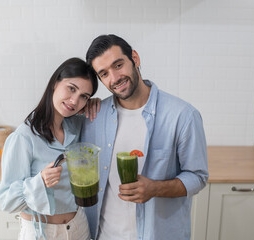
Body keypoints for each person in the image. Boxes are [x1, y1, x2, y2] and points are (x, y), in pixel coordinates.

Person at [81, 34, 209, 240]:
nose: (114, 78)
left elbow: (198, 177)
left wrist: (155, 188)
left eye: (118, 65)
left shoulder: (182, 115)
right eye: (104, 74)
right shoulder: (94, 116)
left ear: (135, 58)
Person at [0, 57, 99, 240]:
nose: (75, 101)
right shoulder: (23, 137)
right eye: (71, 89)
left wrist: (96, 104)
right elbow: (7, 201)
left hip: (79, 227)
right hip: (43, 233)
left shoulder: (76, 126)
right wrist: (40, 181)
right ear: (55, 82)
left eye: (84, 96)